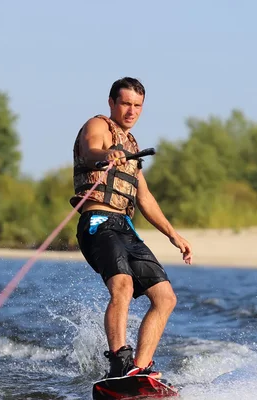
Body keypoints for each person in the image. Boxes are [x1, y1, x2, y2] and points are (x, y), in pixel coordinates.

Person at [70, 77, 193, 380]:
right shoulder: (98, 126)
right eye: (125, 103)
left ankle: (139, 367)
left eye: (137, 106)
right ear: (112, 102)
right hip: (97, 221)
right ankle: (119, 361)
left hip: (124, 228)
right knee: (122, 284)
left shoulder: (133, 146)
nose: (131, 111)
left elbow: (144, 197)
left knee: (166, 298)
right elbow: (89, 151)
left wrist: (173, 234)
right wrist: (107, 154)